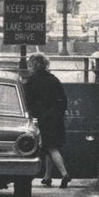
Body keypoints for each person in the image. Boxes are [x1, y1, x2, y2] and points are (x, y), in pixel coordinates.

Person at [24, 52, 71, 188]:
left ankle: (64, 173)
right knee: (51, 147)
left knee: (50, 147)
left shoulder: (32, 81)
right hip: (55, 118)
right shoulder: (53, 79)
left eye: (30, 64)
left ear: (34, 65)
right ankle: (47, 176)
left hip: (41, 118)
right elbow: (63, 100)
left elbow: (28, 101)